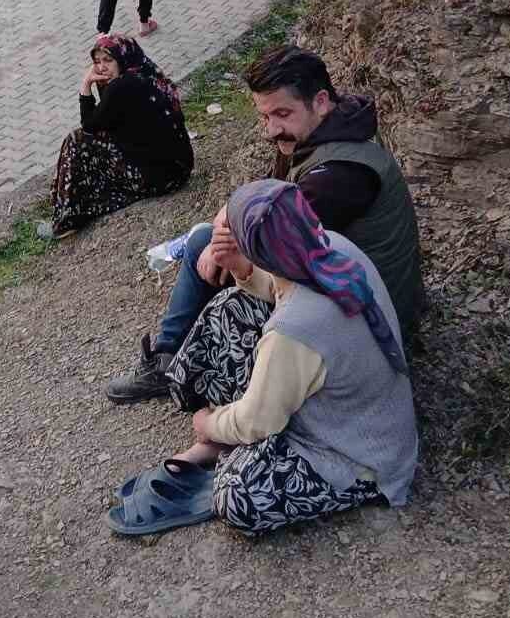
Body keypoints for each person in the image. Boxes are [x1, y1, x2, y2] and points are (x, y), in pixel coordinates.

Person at [106, 44, 422, 405]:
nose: (271, 130)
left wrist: (227, 252)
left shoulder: (339, 176)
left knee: (220, 270)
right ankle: (170, 357)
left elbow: (274, 238)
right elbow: (267, 197)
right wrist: (224, 222)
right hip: (341, 276)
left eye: (281, 114)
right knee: (205, 242)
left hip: (367, 317)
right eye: (264, 117)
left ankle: (211, 383)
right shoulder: (329, 128)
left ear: (320, 100)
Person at [108, 181, 418, 538]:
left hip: (359, 457)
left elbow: (260, 420)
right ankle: (219, 448)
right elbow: (278, 287)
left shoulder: (295, 328)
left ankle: (219, 448)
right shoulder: (327, 245)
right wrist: (242, 270)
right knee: (230, 308)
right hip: (343, 401)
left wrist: (207, 423)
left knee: (236, 495)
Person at [50, 34, 193, 237]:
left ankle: (67, 218)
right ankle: (69, 206)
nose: (101, 68)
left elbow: (90, 126)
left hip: (159, 178)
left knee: (76, 141)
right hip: (179, 169)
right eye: (97, 62)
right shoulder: (147, 72)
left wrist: (85, 86)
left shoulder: (122, 86)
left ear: (122, 59)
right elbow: (109, 123)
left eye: (108, 60)